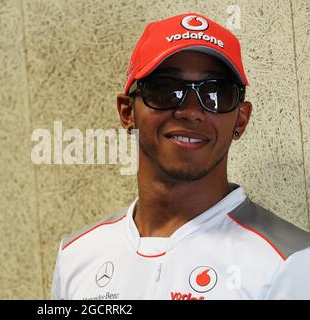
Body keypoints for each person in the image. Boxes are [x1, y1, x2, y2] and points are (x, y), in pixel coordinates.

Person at [51, 13, 310, 300]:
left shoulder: (291, 262)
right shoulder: (77, 254)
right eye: (165, 90)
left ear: (240, 120)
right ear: (127, 112)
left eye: (216, 93)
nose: (190, 111)